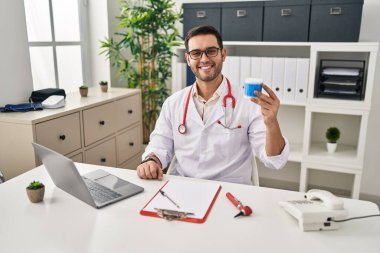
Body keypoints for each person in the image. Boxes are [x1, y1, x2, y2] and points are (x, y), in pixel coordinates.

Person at [137, 25, 289, 184]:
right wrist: (151, 161)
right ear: (188, 59)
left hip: (230, 191)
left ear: (223, 54)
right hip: (183, 188)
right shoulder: (174, 103)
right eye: (196, 53)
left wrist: (272, 123)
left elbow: (274, 161)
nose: (204, 59)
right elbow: (159, 146)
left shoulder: (248, 103)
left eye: (211, 51)